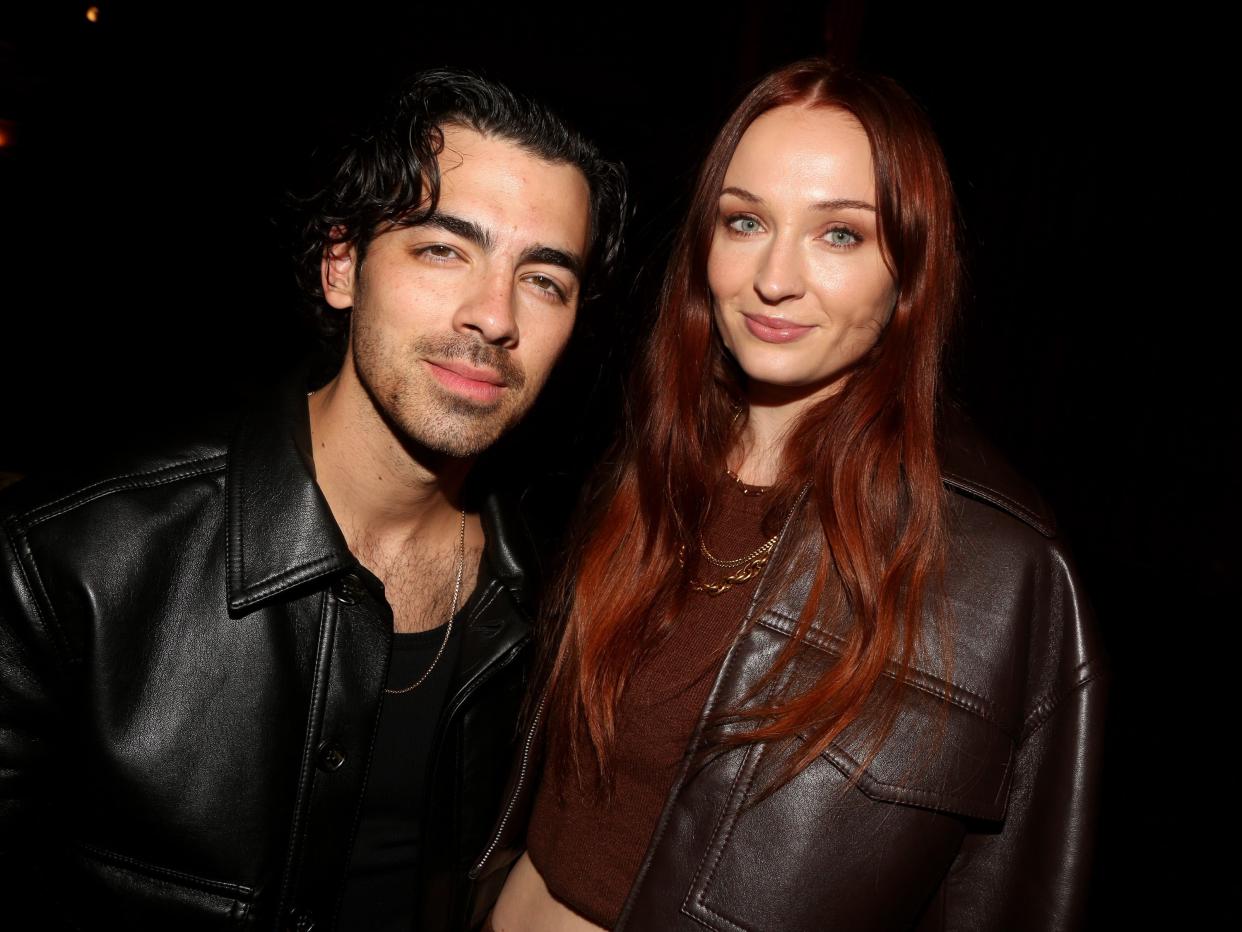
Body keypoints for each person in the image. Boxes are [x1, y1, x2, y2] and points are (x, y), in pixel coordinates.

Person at [483, 58, 1106, 931]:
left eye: (840, 234)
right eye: (745, 222)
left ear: (910, 269)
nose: (775, 277)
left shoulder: (1000, 571)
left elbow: (1010, 898)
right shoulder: (648, 473)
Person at [0, 69, 625, 931]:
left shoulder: (567, 598)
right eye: (444, 249)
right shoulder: (71, 558)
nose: (494, 315)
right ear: (342, 266)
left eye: (545, 279)